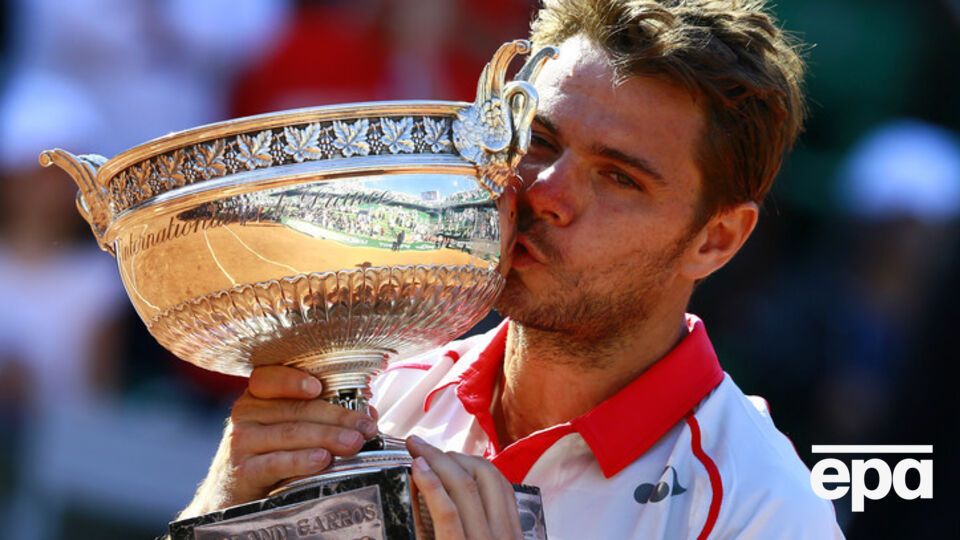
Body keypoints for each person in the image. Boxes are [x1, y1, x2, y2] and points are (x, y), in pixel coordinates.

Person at [177, 1, 843, 537]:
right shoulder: (377, 394)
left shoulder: (765, 512)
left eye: (618, 178)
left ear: (716, 239)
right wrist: (219, 510)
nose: (545, 192)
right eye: (540, 142)